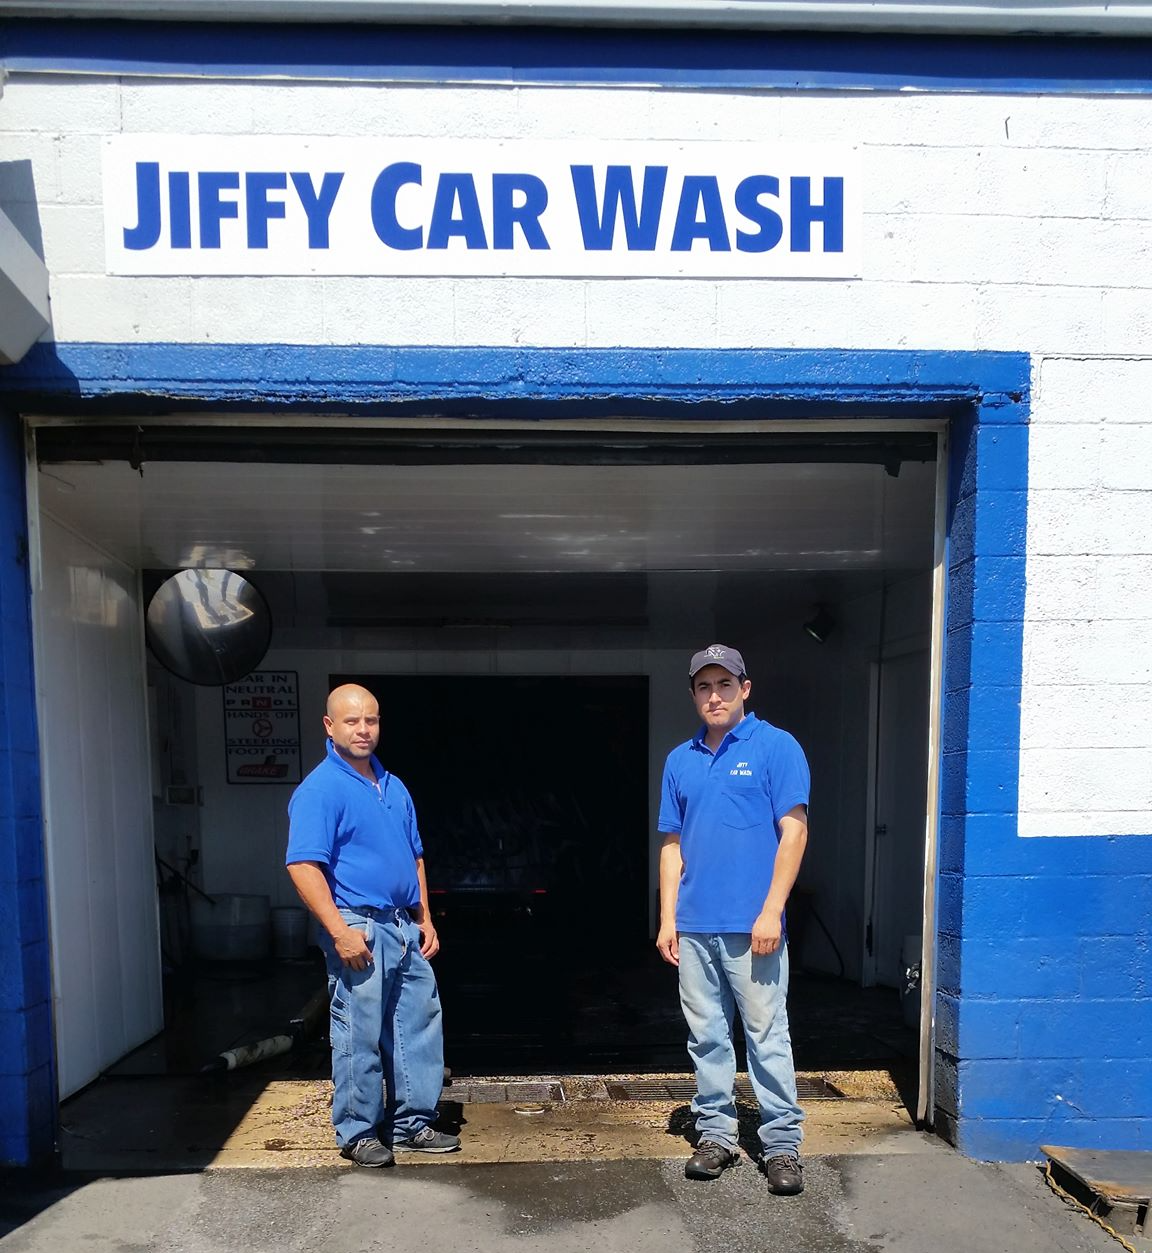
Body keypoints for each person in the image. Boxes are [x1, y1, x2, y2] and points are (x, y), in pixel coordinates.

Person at [656, 645, 809, 1195]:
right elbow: (672, 846)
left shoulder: (776, 747)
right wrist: (667, 918)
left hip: (755, 927)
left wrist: (771, 911)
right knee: (706, 1037)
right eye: (704, 686)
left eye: (725, 684)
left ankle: (782, 1144)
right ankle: (716, 1135)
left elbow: (794, 831)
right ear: (693, 694)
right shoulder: (680, 760)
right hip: (695, 925)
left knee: (767, 1035)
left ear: (745, 688)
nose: (714, 695)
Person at [286, 683, 459, 1167]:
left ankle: (410, 1124)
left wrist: (425, 917)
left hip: (403, 926)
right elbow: (303, 866)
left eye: (371, 720)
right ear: (329, 726)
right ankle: (358, 1131)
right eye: (352, 721)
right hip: (358, 926)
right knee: (358, 1032)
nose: (363, 729)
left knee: (418, 1025)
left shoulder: (393, 786)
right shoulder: (321, 789)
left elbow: (415, 856)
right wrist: (339, 932)